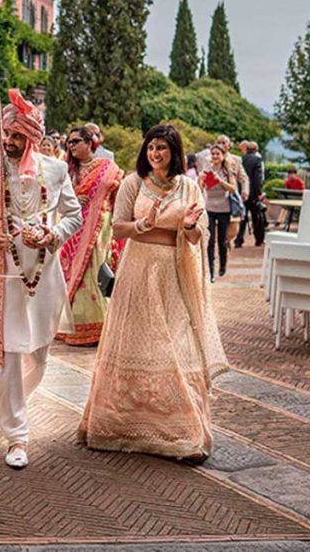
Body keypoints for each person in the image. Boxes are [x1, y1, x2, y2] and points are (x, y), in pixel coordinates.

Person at [78, 124, 228, 460]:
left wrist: (190, 226)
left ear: (174, 152)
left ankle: (182, 428)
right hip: (137, 269)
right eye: (150, 148)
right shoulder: (133, 183)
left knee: (175, 342)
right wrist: (142, 225)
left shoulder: (189, 187)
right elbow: (117, 228)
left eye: (161, 148)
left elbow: (195, 236)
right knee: (136, 339)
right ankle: (118, 425)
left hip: (173, 273)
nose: (154, 154)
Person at [0, 89, 82, 469]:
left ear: (33, 139)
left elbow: (73, 216)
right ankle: (17, 435)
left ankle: (12, 402)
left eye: (18, 136)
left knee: (39, 354)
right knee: (9, 353)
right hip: (4, 275)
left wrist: (54, 234)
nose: (9, 142)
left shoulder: (57, 170)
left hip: (44, 276)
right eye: (7, 134)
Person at [57, 126, 124, 346]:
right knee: (75, 273)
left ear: (89, 143)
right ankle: (76, 326)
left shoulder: (108, 168)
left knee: (96, 271)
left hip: (101, 229)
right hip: (75, 229)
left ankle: (102, 326)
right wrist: (74, 198)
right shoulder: (66, 171)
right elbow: (55, 199)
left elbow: (120, 197)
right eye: (69, 142)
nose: (71, 146)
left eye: (76, 141)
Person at [199, 145, 238, 281]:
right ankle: (210, 272)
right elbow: (200, 188)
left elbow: (233, 189)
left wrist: (220, 180)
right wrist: (201, 180)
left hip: (224, 209)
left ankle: (223, 265)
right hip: (209, 208)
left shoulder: (228, 172)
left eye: (217, 154)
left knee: (222, 240)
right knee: (210, 240)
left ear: (223, 156)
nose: (215, 156)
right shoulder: (206, 170)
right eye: (213, 154)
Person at [235, 141, 266, 247]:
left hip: (242, 192)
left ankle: (238, 240)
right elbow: (258, 179)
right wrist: (259, 193)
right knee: (256, 217)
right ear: (256, 150)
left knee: (242, 218)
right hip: (253, 194)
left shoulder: (240, 159)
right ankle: (259, 240)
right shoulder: (257, 160)